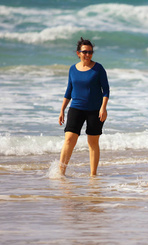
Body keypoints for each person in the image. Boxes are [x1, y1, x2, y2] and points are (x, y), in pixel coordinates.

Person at [59, 37, 110, 176]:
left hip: (95, 110)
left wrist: (103, 108)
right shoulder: (72, 69)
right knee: (69, 139)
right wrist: (62, 110)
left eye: (90, 52)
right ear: (78, 53)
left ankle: (93, 175)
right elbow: (69, 90)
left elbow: (106, 90)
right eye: (85, 52)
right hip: (76, 108)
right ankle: (61, 173)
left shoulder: (98, 68)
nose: (88, 55)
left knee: (92, 142)